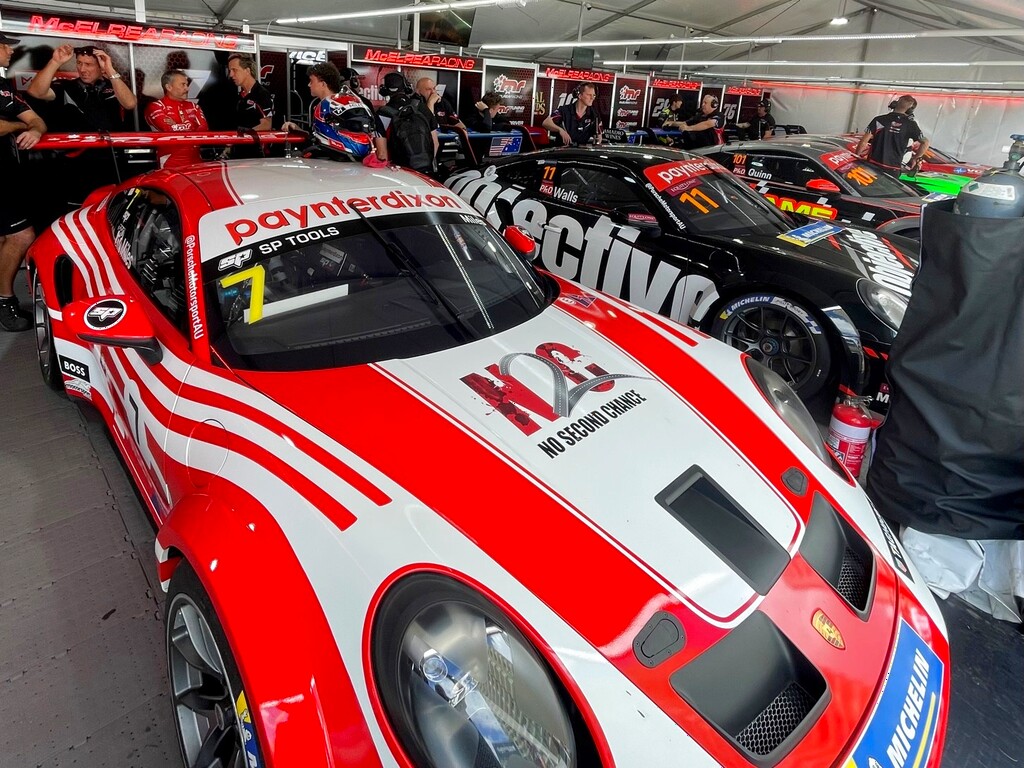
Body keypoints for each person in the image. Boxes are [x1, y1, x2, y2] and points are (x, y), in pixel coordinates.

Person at [0, 32, 46, 332]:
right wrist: (19, 125)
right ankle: (5, 301)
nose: (9, 51)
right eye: (3, 46)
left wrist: (34, 129)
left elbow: (38, 120)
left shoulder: (3, 87)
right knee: (21, 237)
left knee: (7, 238)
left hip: (7, 173)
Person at [282, 62, 387, 163]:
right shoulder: (321, 106)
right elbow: (318, 136)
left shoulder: (353, 102)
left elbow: (377, 129)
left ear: (323, 84)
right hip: (328, 163)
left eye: (311, 81)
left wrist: (381, 158)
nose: (309, 85)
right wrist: (297, 129)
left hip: (350, 164)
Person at [26, 43, 136, 131]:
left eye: (88, 64)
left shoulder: (114, 85)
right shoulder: (67, 86)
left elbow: (130, 104)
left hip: (114, 151)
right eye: (79, 63)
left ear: (101, 68)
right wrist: (55, 62)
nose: (82, 69)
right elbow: (36, 92)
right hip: (78, 153)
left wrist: (110, 69)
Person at [144, 70, 209, 168]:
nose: (187, 89)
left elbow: (204, 130)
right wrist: (191, 125)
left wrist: (177, 125)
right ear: (169, 87)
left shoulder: (194, 106)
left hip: (196, 161)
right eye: (183, 85)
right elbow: (168, 129)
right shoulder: (156, 106)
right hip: (170, 163)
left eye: (187, 85)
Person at [379, 71, 438, 174]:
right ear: (407, 87)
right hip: (426, 172)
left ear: (384, 90)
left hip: (400, 174)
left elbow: (382, 154)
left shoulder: (382, 113)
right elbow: (435, 143)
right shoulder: (421, 107)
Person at [855, 94, 929, 171]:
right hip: (894, 168)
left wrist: (856, 156)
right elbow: (925, 142)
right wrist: (915, 158)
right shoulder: (911, 124)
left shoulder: (879, 120)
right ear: (910, 109)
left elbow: (863, 142)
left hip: (873, 164)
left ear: (895, 104)